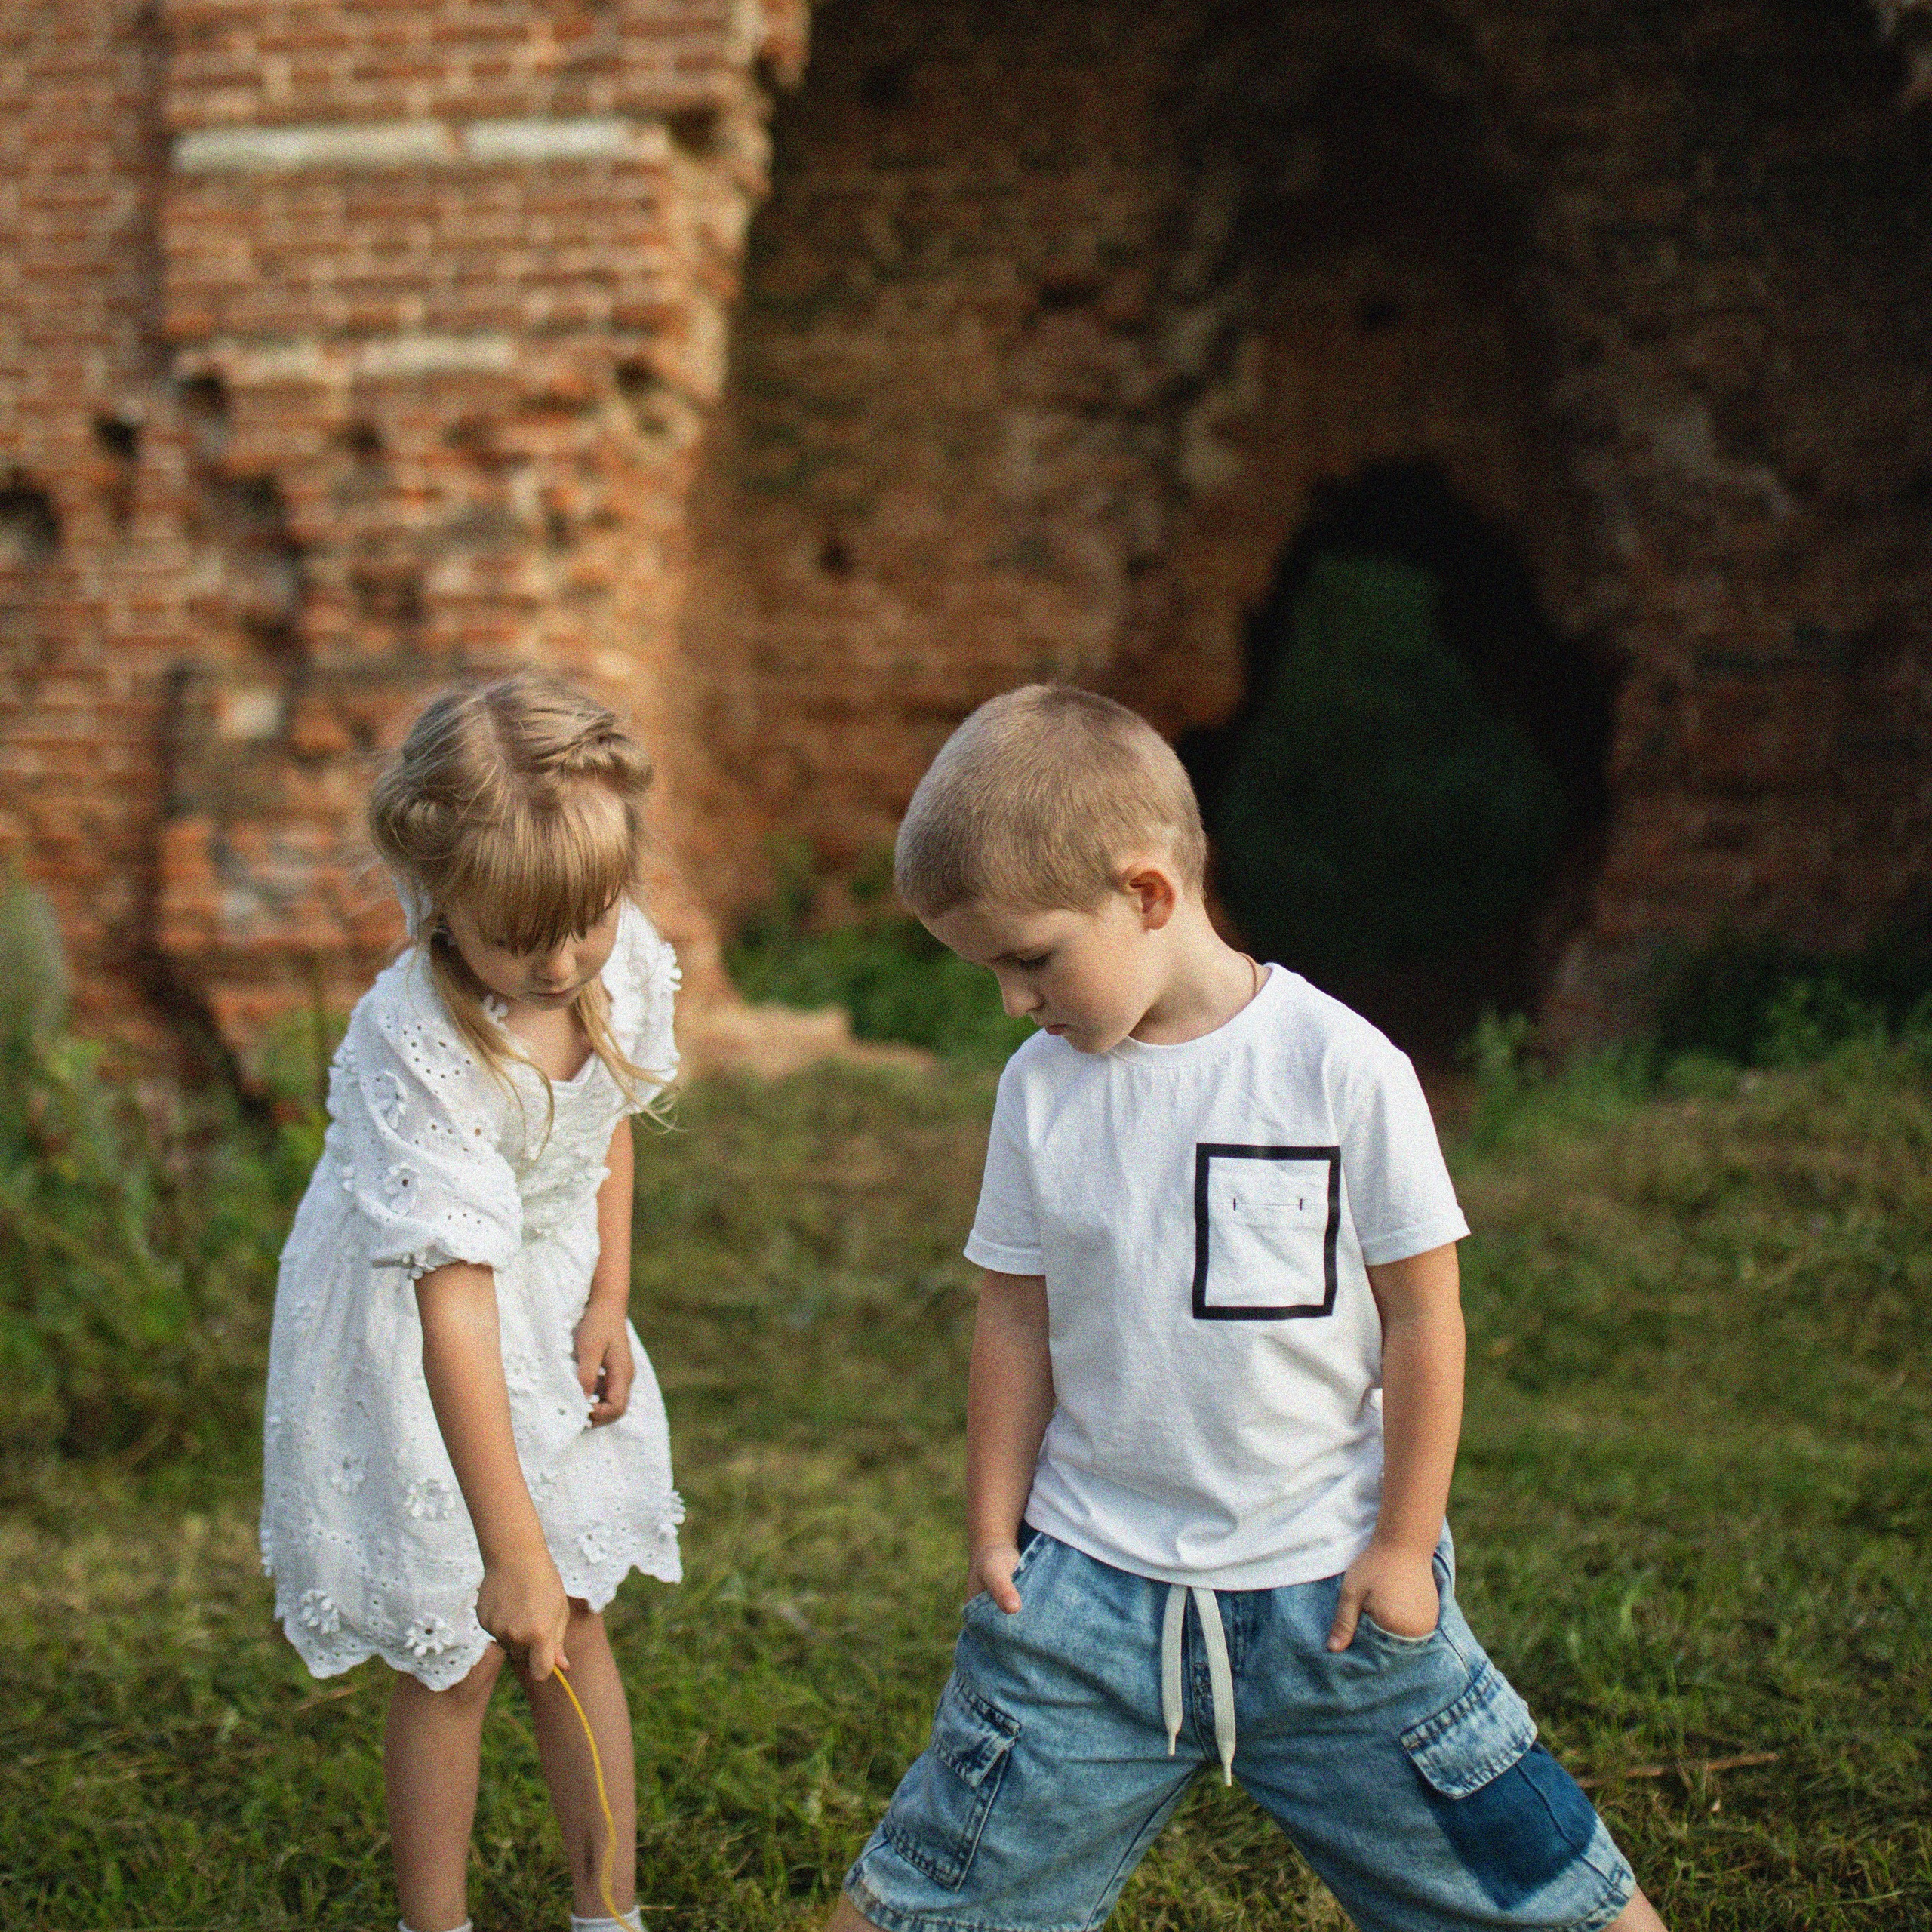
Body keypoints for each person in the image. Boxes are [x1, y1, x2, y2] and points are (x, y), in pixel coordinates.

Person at [826, 685, 1666, 1932]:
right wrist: (994, 1533)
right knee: (919, 1909)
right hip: (1086, 1612)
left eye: (1029, 959)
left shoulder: (1342, 1068)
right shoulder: (1039, 1092)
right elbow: (1014, 1320)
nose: (1013, 1001)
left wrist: (1400, 1544)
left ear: (1149, 892)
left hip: (1332, 1598)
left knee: (1551, 1905)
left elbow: (1427, 1320)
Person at [260, 673, 685, 1932]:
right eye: (522, 940)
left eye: (588, 921)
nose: (563, 963)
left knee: (579, 1613)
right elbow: (452, 1315)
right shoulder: (421, 1044)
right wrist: (509, 1555)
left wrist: (610, 1296)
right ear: (440, 904)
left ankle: (607, 1913)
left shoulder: (615, 952)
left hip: (546, 1289)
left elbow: (605, 1121)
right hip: (418, 1327)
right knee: (461, 1643)